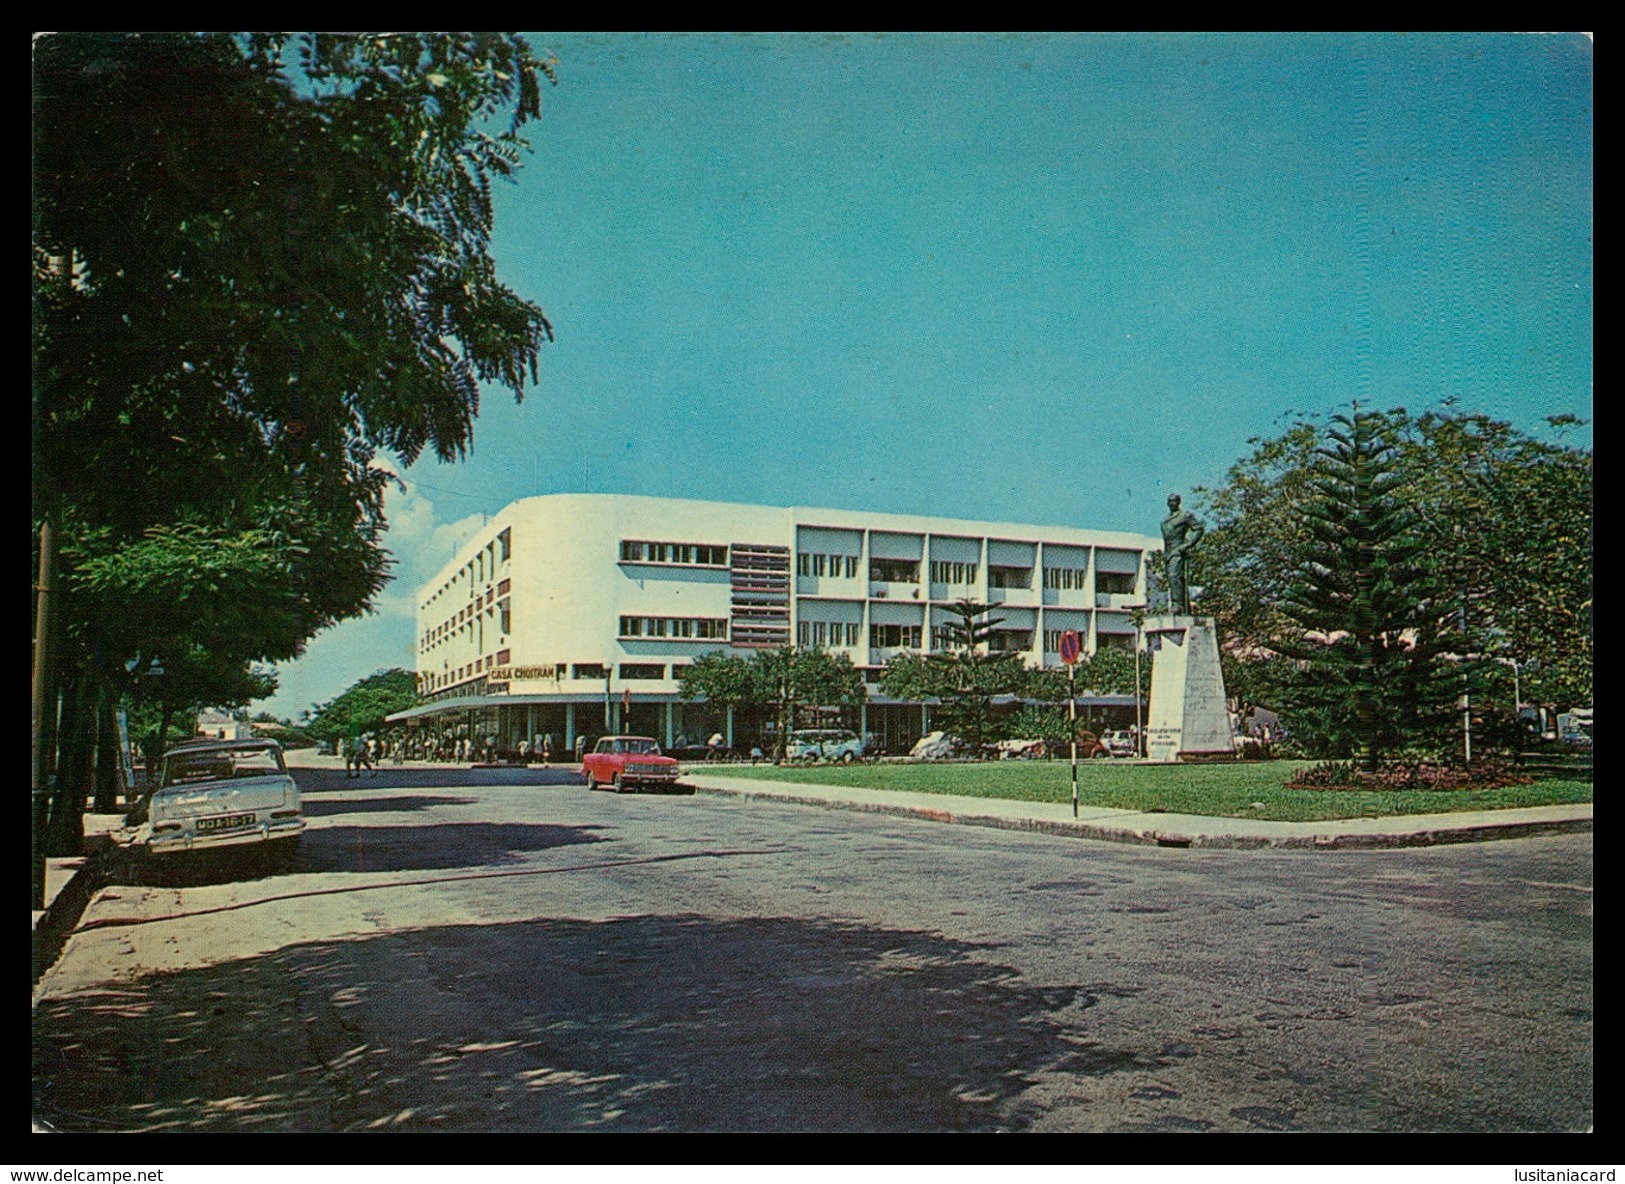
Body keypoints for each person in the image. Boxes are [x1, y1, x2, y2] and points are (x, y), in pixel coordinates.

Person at [1160, 493, 1205, 616]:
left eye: (1174, 501)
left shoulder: (1185, 515)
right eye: (1169, 501)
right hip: (1168, 552)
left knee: (1174, 576)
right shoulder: (1164, 520)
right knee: (1174, 579)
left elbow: (1199, 529)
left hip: (1178, 549)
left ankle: (1177, 605)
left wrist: (1188, 545)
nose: (1171, 503)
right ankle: (1185, 606)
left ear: (1178, 502)